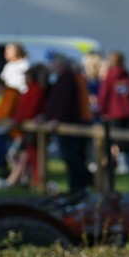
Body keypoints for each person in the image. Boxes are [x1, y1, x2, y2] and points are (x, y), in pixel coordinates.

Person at [40, 54, 91, 192]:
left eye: (54, 64)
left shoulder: (67, 78)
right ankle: (77, 187)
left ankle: (86, 181)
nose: (52, 66)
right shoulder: (63, 78)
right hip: (69, 122)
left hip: (71, 123)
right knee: (71, 157)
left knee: (72, 157)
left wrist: (57, 118)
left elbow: (64, 102)